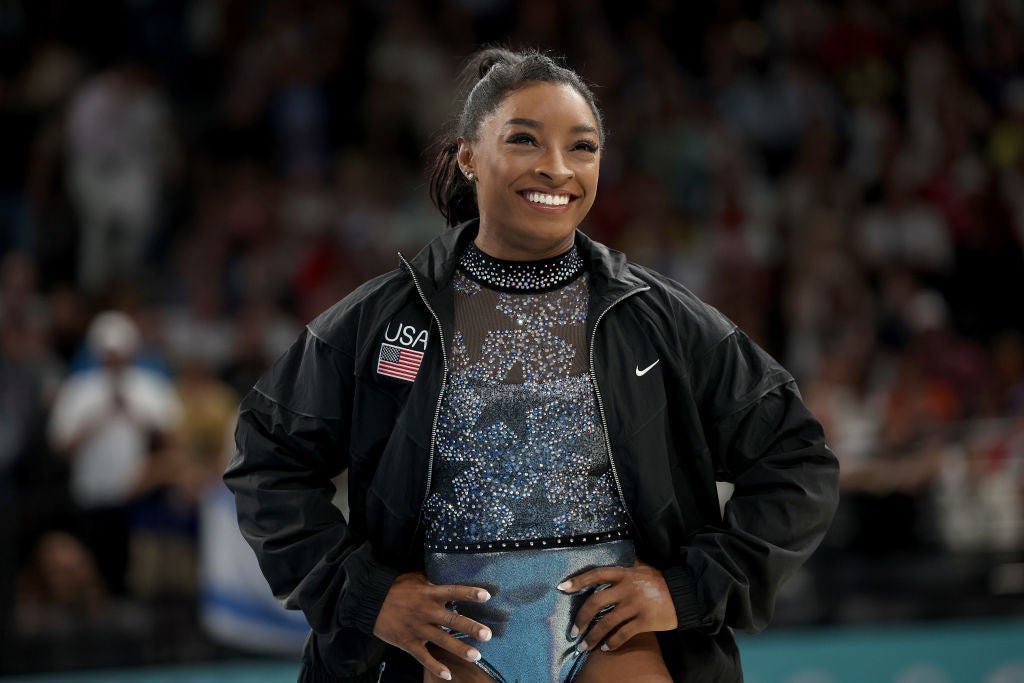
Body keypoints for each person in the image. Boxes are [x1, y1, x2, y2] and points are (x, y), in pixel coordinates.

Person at [225, 48, 839, 683]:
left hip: (616, 642)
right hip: (449, 645)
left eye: (583, 147)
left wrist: (688, 589)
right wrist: (367, 595)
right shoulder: (380, 320)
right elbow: (268, 461)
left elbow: (797, 460)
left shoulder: (660, 318)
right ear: (468, 156)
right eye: (525, 140)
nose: (557, 168)